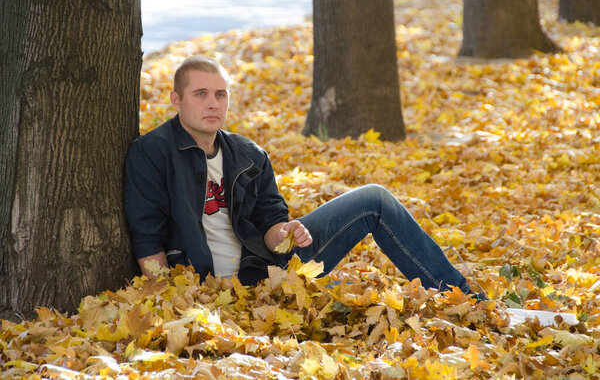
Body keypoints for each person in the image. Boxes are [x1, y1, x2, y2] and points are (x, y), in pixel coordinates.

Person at [124, 55, 485, 299]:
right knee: (355, 296)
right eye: (200, 94)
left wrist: (285, 232)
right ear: (176, 99)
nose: (212, 103)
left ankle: (464, 298)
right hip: (210, 287)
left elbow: (270, 225)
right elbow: (147, 236)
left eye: (220, 94)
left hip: (267, 269)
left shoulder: (249, 156)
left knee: (375, 199)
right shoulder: (153, 152)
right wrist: (174, 301)